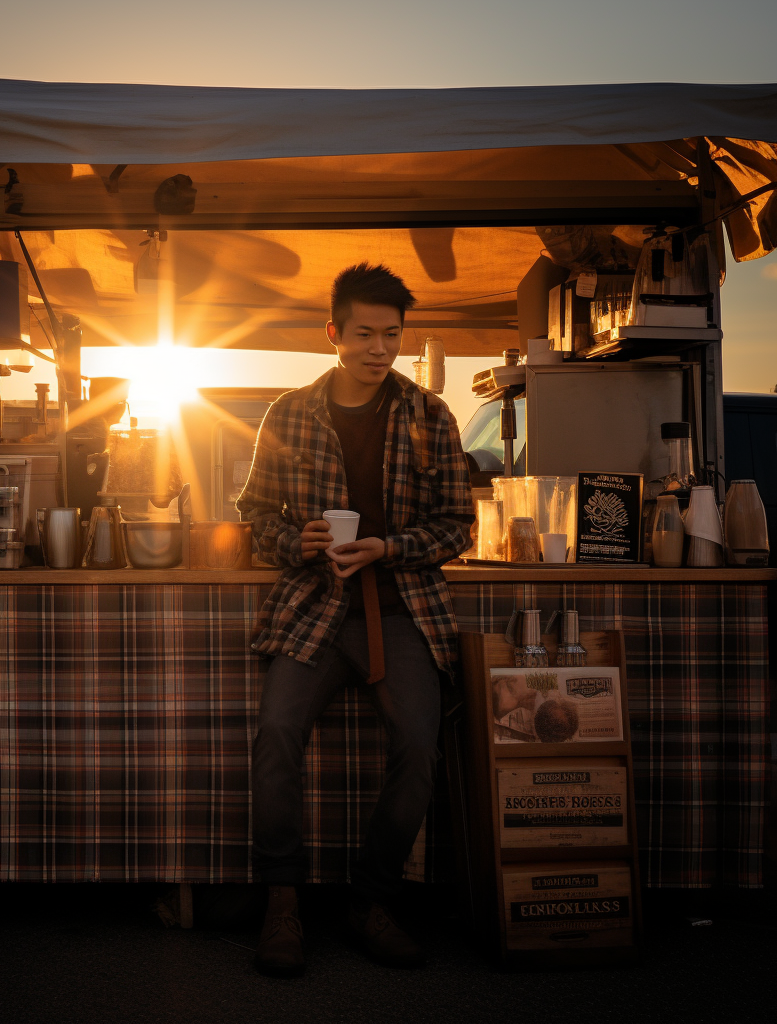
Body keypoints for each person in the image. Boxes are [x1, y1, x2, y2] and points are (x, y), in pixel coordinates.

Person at [236, 263, 474, 976]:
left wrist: (389, 547)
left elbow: (458, 525)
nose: (380, 348)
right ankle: (283, 903)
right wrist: (295, 540)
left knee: (419, 747)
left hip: (403, 608)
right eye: (365, 333)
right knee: (276, 733)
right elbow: (254, 517)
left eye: (392, 335)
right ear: (334, 333)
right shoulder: (289, 412)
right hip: (314, 607)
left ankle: (372, 899)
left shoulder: (432, 415)